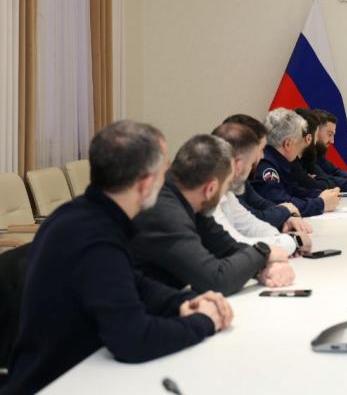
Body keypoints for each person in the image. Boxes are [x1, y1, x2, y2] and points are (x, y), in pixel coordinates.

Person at [3, 121, 229, 394]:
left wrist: (185, 302)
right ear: (146, 184)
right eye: (164, 172)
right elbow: (134, 340)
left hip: (78, 371)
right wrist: (205, 322)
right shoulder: (96, 237)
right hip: (59, 383)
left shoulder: (79, 214)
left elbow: (133, 282)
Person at [131, 134, 295, 296]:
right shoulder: (166, 213)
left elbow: (227, 247)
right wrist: (263, 252)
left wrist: (262, 266)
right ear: (211, 189)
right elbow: (216, 279)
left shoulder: (191, 203)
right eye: (227, 185)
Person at [211, 122, 312, 255]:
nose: (262, 156)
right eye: (261, 150)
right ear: (238, 165)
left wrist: (279, 240)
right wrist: (292, 242)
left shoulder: (226, 192)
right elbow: (235, 245)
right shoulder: (208, 194)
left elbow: (250, 224)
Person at [222, 114, 305, 230]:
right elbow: (255, 219)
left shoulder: (239, 180)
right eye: (261, 149)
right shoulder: (221, 185)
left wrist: (289, 214)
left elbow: (261, 203)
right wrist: (286, 210)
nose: (262, 156)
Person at [252, 108, 341, 217]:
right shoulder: (266, 166)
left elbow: (293, 190)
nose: (302, 145)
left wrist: (321, 195)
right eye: (300, 139)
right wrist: (321, 203)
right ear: (288, 144)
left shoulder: (280, 161)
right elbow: (281, 202)